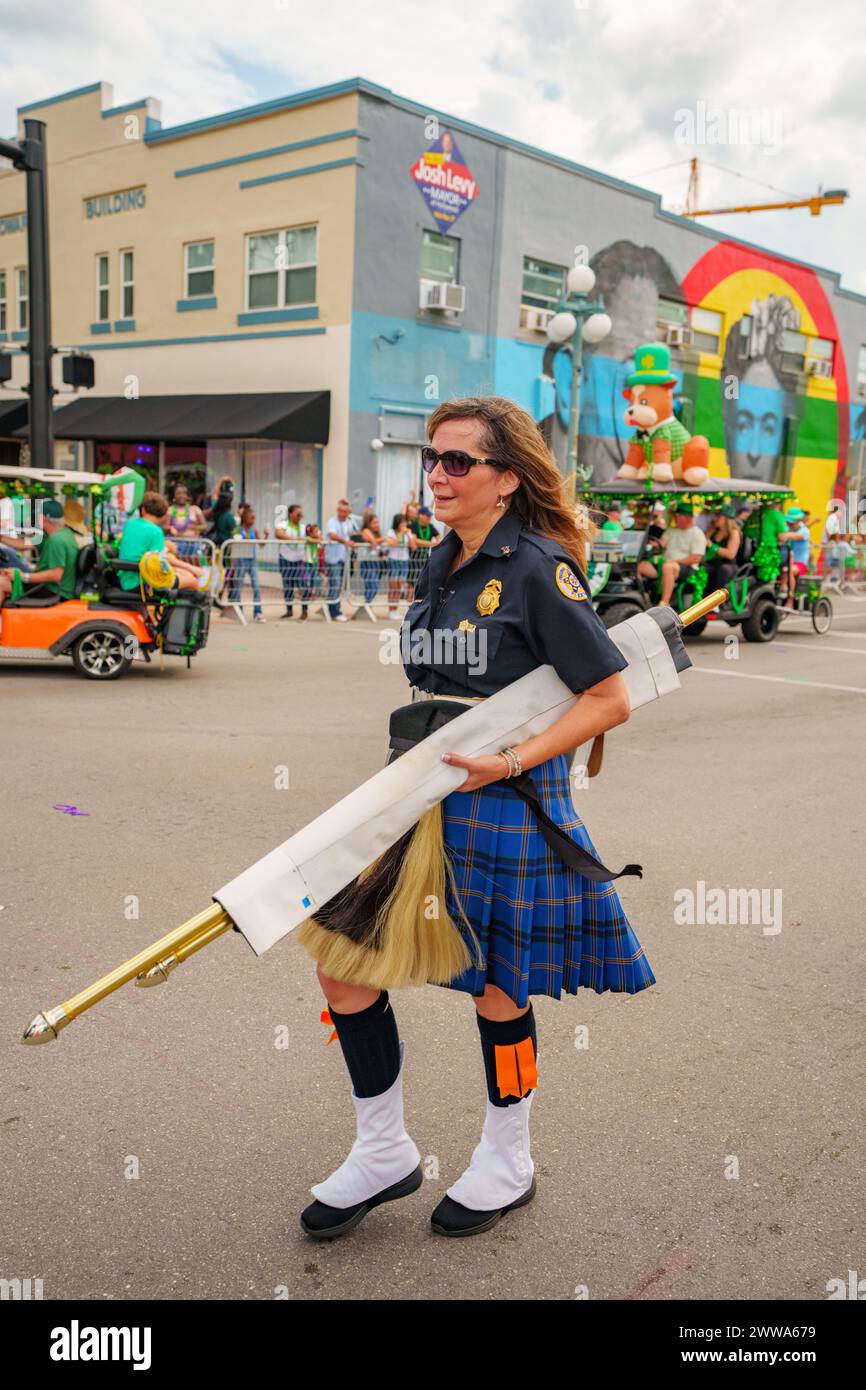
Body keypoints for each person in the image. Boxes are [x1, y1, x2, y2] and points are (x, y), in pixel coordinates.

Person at [294, 394, 654, 1242]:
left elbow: (609, 698)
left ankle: (508, 1156)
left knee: (499, 990)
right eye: (433, 457)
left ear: (506, 478)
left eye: (459, 461)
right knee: (343, 964)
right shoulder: (440, 558)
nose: (438, 474)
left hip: (507, 803)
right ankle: (384, 1150)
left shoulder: (536, 567)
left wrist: (511, 760)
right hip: (421, 797)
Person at [116, 492, 203, 592]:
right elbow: (163, 560)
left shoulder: (130, 524)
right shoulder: (155, 531)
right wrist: (192, 568)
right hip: (143, 581)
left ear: (143, 510)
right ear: (163, 514)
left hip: (127, 578)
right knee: (192, 580)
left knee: (185, 574)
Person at [0, 499, 79, 608]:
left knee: (1, 583)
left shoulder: (56, 540)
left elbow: (56, 575)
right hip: (49, 586)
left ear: (43, 518)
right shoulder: (58, 533)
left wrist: (23, 576)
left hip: (55, 591)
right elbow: (22, 544)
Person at [637, 502, 706, 606]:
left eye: (678, 516)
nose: (675, 518)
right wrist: (650, 543)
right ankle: (641, 598)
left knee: (668, 567)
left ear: (688, 518)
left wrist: (675, 561)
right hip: (666, 563)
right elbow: (662, 543)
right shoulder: (671, 531)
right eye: (676, 516)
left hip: (687, 568)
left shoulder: (697, 533)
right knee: (641, 566)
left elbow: (696, 558)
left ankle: (664, 602)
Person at [230, 505, 267, 622]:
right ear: (245, 518)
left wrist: (266, 535)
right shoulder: (237, 529)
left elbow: (261, 544)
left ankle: (258, 612)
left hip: (252, 561)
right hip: (241, 561)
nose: (253, 521)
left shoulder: (254, 530)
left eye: (254, 518)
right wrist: (241, 537)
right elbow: (233, 542)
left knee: (256, 587)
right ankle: (237, 611)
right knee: (238, 587)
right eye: (252, 518)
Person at [324, 499, 356, 622]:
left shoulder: (348, 522)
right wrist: (346, 541)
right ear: (338, 511)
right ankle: (334, 611)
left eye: (346, 511)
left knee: (338, 586)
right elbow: (333, 535)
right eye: (342, 511)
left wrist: (350, 508)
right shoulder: (332, 522)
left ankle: (333, 608)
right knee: (335, 584)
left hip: (343, 558)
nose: (344, 513)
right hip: (333, 558)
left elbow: (355, 530)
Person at [276, 503, 309, 619]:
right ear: (290, 514)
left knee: (303, 585)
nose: (300, 516)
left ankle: (304, 610)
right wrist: (294, 539)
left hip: (299, 561)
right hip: (285, 559)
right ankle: (289, 610)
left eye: (301, 514)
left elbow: (315, 534)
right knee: (287, 586)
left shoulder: (304, 527)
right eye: (297, 514)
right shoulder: (283, 524)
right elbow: (278, 534)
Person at [777, 507, 811, 607]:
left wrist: (783, 535)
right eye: (788, 522)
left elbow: (794, 536)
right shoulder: (787, 529)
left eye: (791, 522)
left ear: (798, 521)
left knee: (788, 570)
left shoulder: (804, 531)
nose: (789, 524)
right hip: (787, 560)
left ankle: (790, 599)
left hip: (800, 563)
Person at [703, 505, 742, 593]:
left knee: (723, 570)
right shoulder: (714, 530)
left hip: (727, 564)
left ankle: (716, 599)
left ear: (725, 519)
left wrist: (713, 546)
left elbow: (730, 554)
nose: (715, 518)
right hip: (712, 562)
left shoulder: (733, 533)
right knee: (701, 568)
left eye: (718, 516)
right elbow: (703, 540)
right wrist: (711, 528)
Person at [384, 513, 414, 617]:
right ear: (397, 523)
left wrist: (409, 535)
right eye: (402, 522)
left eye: (405, 522)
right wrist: (401, 532)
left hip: (404, 561)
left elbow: (413, 546)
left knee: (399, 585)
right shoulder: (391, 532)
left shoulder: (407, 532)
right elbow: (394, 543)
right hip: (394, 560)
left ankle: (395, 609)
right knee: (393, 586)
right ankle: (391, 609)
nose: (404, 524)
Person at [168, 484, 205, 560]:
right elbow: (164, 526)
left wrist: (193, 527)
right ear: (174, 496)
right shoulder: (170, 510)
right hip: (176, 544)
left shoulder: (195, 509)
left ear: (188, 496)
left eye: (184, 493)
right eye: (178, 493)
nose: (181, 496)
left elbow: (204, 526)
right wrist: (170, 528)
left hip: (193, 544)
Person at [359, 513, 387, 606]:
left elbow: (378, 547)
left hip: (375, 562)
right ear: (369, 523)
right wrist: (384, 539)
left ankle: (367, 604)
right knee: (372, 585)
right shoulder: (365, 531)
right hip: (367, 562)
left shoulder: (377, 533)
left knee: (373, 586)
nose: (377, 525)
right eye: (374, 523)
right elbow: (373, 542)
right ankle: (367, 604)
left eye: (377, 522)